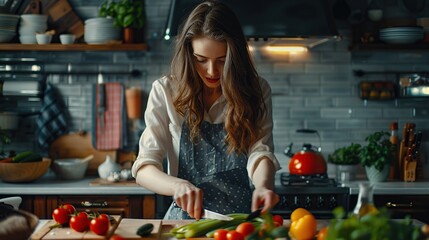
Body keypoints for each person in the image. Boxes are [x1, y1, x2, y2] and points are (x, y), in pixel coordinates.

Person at [131, 0, 280, 220]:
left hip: (240, 223)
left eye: (222, 60)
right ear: (188, 54)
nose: (212, 71)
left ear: (235, 56)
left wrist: (263, 186)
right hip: (184, 221)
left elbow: (260, 151)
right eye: (201, 60)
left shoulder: (256, 90)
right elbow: (144, 167)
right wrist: (177, 186)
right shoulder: (165, 91)